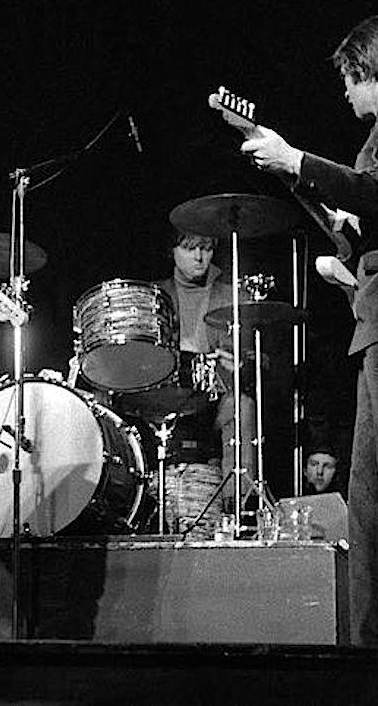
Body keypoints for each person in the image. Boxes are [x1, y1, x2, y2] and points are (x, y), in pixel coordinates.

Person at [241, 15, 378, 648]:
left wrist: (295, 157)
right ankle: (369, 647)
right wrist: (343, 244)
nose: (345, 95)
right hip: (373, 318)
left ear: (367, 71)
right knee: (369, 503)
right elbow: (369, 215)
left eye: (348, 82)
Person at [150, 230, 257, 538]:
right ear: (172, 251)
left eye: (206, 249)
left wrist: (240, 364)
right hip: (169, 394)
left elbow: (258, 357)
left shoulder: (232, 296)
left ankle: (238, 507)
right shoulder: (157, 295)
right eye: (189, 248)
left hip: (217, 393)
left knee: (243, 405)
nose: (199, 257)